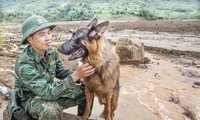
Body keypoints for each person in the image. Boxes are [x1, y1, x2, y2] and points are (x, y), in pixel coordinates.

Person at [13, 15, 95, 120]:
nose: (48, 38)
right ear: (30, 39)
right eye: (42, 35)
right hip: (31, 99)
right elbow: (46, 92)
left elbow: (61, 72)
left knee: (86, 92)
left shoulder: (50, 52)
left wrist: (81, 78)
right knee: (51, 110)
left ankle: (81, 117)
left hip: (51, 90)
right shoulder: (24, 63)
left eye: (49, 33)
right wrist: (75, 75)